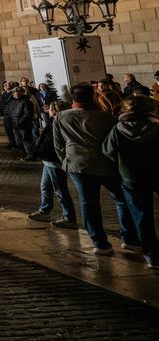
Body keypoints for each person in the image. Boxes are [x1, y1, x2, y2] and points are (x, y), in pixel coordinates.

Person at [53, 83, 140, 256]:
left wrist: (67, 160)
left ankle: (100, 243)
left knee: (88, 204)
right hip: (106, 164)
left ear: (73, 98)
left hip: (78, 165)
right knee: (122, 200)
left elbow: (58, 144)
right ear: (92, 97)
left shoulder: (61, 116)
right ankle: (129, 239)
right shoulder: (106, 118)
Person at [102, 94, 159, 268]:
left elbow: (108, 151)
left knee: (142, 216)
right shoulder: (156, 127)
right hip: (157, 172)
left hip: (131, 176)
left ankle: (152, 255)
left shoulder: (118, 129)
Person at [27, 100, 78, 229]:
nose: (47, 110)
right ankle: (45, 210)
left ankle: (69, 217)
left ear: (55, 109)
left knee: (60, 189)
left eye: (49, 108)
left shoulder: (59, 123)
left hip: (54, 160)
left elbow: (52, 142)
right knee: (45, 185)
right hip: (48, 160)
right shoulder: (54, 121)